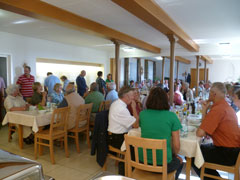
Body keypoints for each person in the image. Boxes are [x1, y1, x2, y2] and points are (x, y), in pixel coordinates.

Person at [193, 82, 240, 179]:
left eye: (209, 92)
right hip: (233, 150)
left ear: (213, 94)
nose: (208, 94)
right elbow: (205, 128)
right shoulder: (225, 106)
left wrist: (204, 112)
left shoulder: (218, 109)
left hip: (227, 153)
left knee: (193, 153)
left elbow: (200, 133)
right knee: (199, 149)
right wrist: (205, 110)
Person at [139, 87, 183, 180]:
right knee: (180, 160)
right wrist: (175, 155)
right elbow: (177, 147)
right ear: (165, 100)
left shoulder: (143, 114)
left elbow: (135, 125)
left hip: (142, 161)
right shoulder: (171, 116)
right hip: (163, 165)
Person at [108, 86, 139, 175]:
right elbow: (136, 125)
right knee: (138, 145)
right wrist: (134, 107)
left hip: (116, 135)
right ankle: (127, 173)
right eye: (133, 95)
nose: (134, 97)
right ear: (127, 96)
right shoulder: (121, 108)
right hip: (116, 139)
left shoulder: (118, 103)